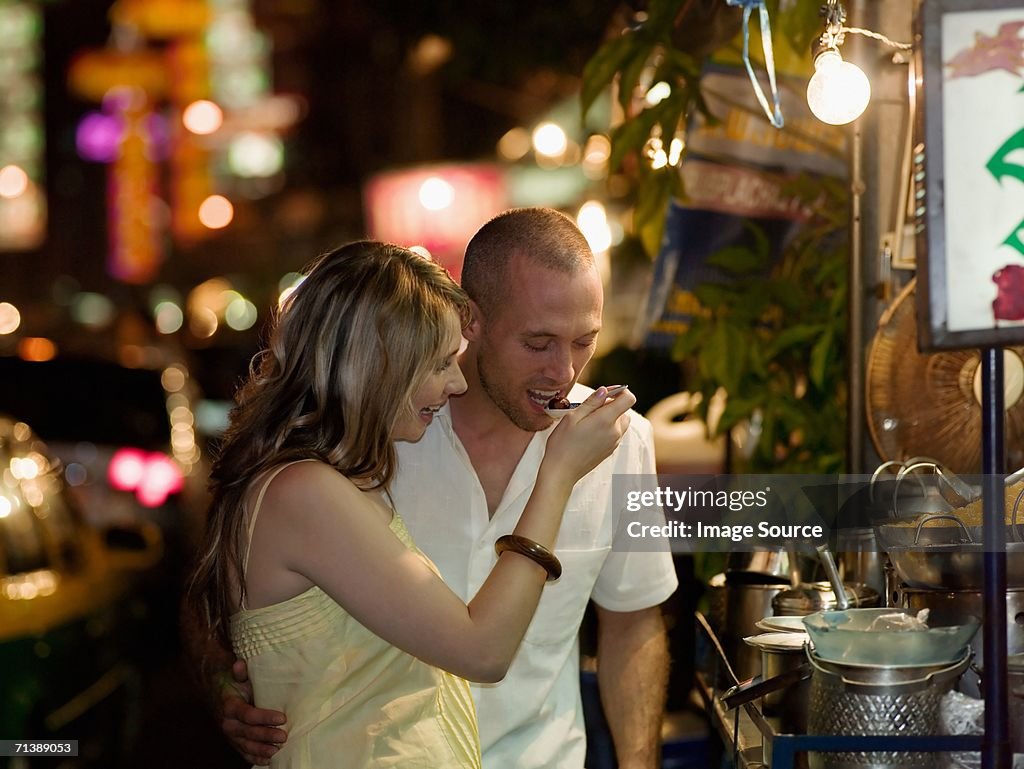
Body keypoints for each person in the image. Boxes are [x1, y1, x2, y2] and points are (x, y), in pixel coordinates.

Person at [217, 209, 678, 769]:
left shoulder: (621, 442)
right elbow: (227, 585)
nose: (565, 372)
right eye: (538, 343)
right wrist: (229, 680)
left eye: (585, 341)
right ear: (472, 320)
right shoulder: (379, 437)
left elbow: (633, 622)